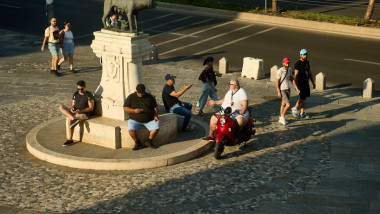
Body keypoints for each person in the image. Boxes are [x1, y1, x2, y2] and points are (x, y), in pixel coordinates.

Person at [123, 84, 160, 150]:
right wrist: (134, 111)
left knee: (156, 127)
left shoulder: (149, 97)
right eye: (139, 93)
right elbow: (125, 108)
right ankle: (137, 143)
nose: (141, 94)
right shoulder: (131, 97)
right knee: (131, 130)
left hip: (149, 119)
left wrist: (156, 116)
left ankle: (149, 141)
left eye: (142, 93)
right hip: (135, 119)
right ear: (136, 91)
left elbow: (155, 107)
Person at [58, 80, 94, 146]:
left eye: (81, 89)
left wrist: (81, 111)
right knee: (61, 107)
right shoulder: (76, 93)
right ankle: (72, 118)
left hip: (84, 113)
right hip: (75, 111)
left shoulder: (89, 95)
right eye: (78, 89)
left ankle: (70, 139)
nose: (79, 90)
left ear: (85, 87)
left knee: (69, 120)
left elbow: (91, 108)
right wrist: (72, 108)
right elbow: (73, 104)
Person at [291, 49, 316, 118]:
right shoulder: (298, 64)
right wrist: (296, 86)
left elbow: (309, 72)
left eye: (306, 55)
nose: (305, 56)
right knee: (302, 98)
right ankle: (295, 108)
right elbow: (295, 76)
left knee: (304, 99)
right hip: (300, 84)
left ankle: (302, 113)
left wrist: (313, 82)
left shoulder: (307, 62)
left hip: (306, 83)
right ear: (300, 55)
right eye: (304, 55)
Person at [276, 58, 294, 125]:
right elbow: (277, 82)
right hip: (282, 89)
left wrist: (296, 87)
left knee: (283, 104)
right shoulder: (279, 71)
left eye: (288, 63)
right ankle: (283, 117)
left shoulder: (289, 69)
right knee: (288, 105)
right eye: (286, 63)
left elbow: (292, 78)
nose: (287, 64)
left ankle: (280, 117)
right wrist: (278, 92)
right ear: (283, 63)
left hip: (288, 88)